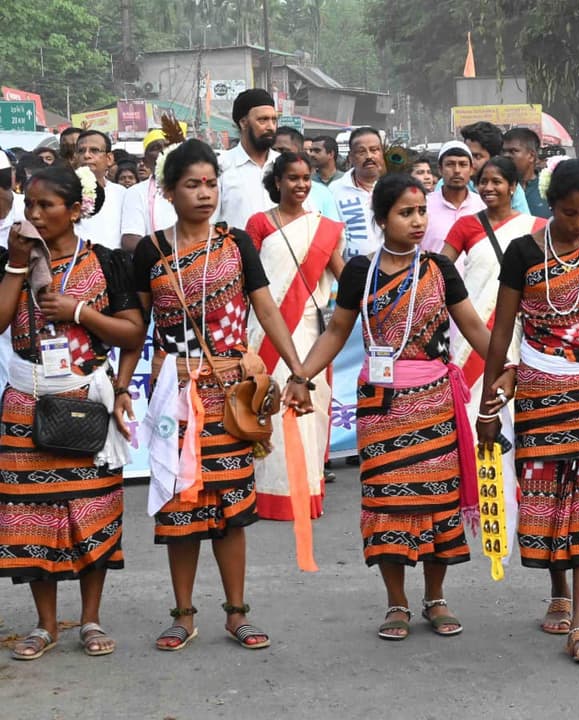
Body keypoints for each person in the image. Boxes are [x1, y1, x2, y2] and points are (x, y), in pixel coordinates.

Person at [115, 139, 311, 652]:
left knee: (228, 509)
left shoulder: (236, 243)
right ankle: (183, 615)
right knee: (180, 506)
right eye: (191, 185)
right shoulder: (150, 252)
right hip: (173, 394)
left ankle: (237, 613)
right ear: (168, 190)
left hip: (230, 395)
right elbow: (137, 328)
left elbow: (266, 310)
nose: (205, 194)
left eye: (210, 183)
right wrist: (121, 386)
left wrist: (297, 371)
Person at [284, 173, 492, 639]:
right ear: (381, 219)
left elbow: (475, 329)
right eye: (406, 213)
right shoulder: (361, 270)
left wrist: (508, 367)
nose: (418, 221)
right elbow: (336, 332)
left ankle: (435, 598)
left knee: (438, 500)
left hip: (434, 400)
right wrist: (301, 376)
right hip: (381, 408)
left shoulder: (439, 269)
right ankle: (396, 603)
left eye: (421, 212)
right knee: (386, 502)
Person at [476, 159, 579, 664]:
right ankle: (559, 590)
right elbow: (501, 334)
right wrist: (486, 405)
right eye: (571, 213)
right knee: (547, 496)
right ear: (552, 206)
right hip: (538, 388)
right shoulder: (524, 252)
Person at [0, 166, 145, 660]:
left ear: (76, 210)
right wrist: (17, 267)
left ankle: (90, 618)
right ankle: (44, 625)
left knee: (91, 510)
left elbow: (131, 333)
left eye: (47, 206)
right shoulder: (9, 259)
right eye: (30, 204)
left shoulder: (106, 262)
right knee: (32, 515)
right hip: (25, 401)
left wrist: (79, 312)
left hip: (84, 400)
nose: (34, 214)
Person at [242, 152, 346, 521]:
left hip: (308, 332)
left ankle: (305, 490)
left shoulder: (325, 228)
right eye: (293, 178)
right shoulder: (258, 224)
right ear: (277, 182)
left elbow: (343, 278)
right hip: (267, 328)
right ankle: (269, 493)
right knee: (268, 404)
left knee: (308, 411)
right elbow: (247, 282)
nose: (301, 185)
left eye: (306, 178)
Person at [442, 155, 547, 396]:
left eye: (496, 182)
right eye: (483, 182)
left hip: (519, 327)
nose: (488, 188)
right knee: (470, 398)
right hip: (472, 324)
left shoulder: (538, 227)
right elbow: (441, 267)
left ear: (512, 187)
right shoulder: (465, 226)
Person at [217, 89, 279, 230]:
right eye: (262, 120)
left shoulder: (285, 164)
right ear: (244, 123)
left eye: (274, 120)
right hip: (236, 251)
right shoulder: (221, 166)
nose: (270, 127)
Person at [330, 127, 386, 258]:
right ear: (350, 157)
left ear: (382, 153)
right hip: (351, 274)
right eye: (361, 152)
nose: (369, 156)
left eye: (374, 150)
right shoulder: (335, 190)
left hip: (393, 274)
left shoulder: (395, 187)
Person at [271, 126, 341, 223]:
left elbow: (333, 233)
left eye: (284, 151)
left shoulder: (321, 193)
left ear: (299, 152)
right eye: (273, 150)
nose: (276, 155)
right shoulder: (258, 186)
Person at [424, 141, 484, 253]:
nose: (457, 171)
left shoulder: (482, 206)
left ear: (471, 169)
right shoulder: (424, 206)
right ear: (440, 169)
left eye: (463, 164)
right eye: (450, 164)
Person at [461, 121, 530, 214]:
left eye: (477, 156)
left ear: (494, 158)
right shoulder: (451, 183)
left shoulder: (510, 186)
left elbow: (523, 223)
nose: (470, 161)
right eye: (467, 155)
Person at [72, 131, 126, 250]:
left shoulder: (123, 194)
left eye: (94, 150)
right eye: (81, 151)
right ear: (75, 158)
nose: (86, 155)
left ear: (109, 158)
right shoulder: (63, 191)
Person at [503, 127, 551, 218]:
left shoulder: (549, 187)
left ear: (531, 156)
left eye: (513, 151)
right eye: (503, 151)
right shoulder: (498, 188)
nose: (506, 156)